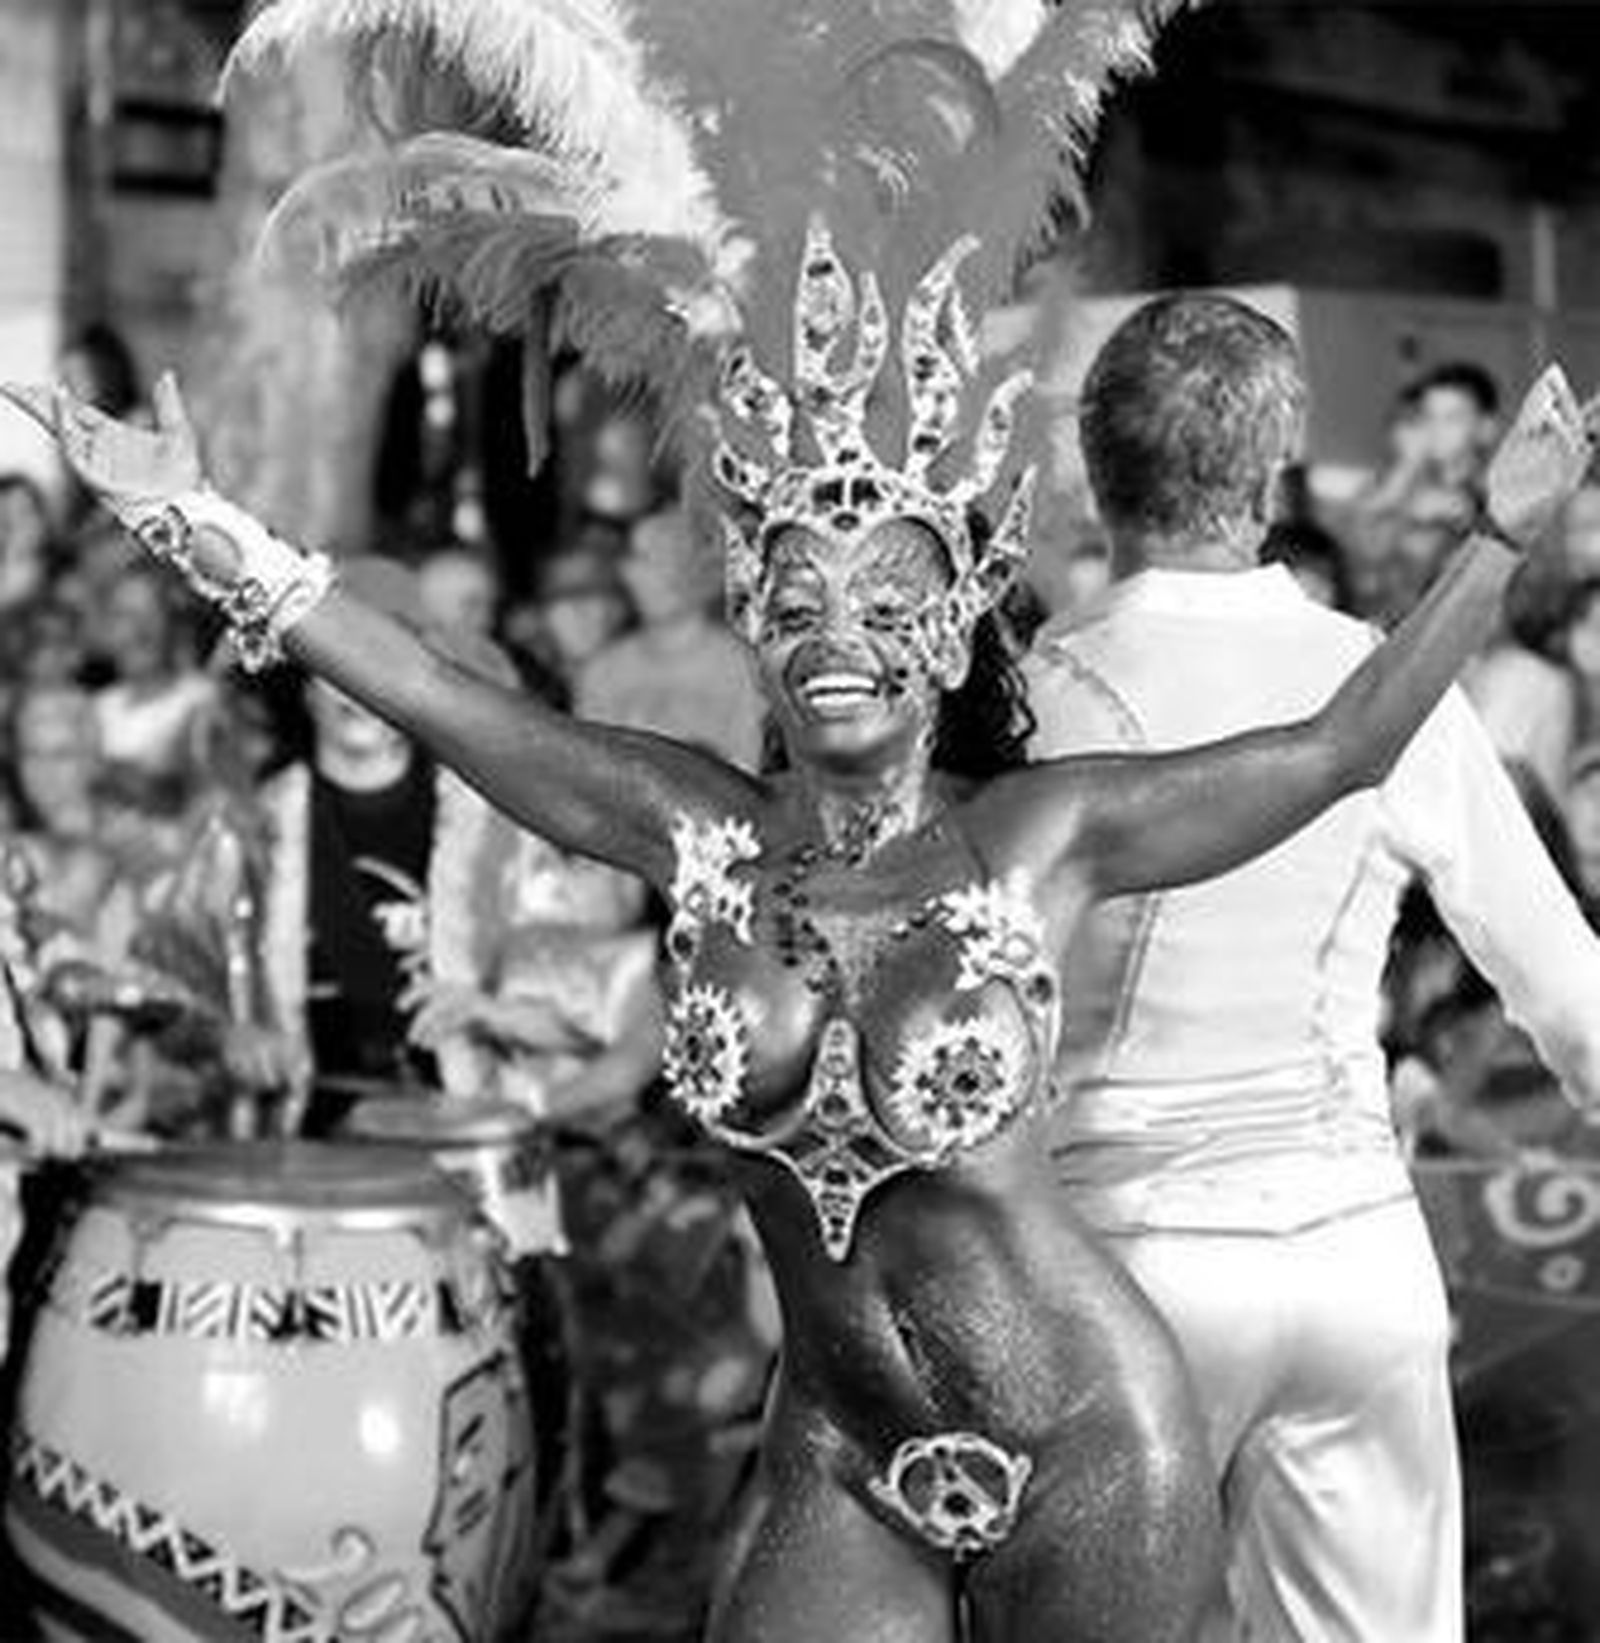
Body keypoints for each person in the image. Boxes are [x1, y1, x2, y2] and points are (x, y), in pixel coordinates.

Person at [13, 5, 1594, 1637]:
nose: (835, 623)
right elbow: (441, 697)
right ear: (755, 617)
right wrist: (183, 513)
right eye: (797, 586)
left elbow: (1336, 749)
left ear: (957, 611)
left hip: (1091, 1445)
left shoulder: (1040, 834)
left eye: (881, 587)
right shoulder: (695, 828)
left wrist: (1494, 536)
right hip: (840, 1452)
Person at [1024, 293, 1600, 1643]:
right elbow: (1567, 984)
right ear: (1276, 467)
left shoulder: (1036, 695)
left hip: (1122, 1263)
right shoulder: (1380, 678)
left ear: (1097, 472)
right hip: (1353, 1255)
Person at [580, 506, 767, 771]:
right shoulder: (603, 671)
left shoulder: (741, 669)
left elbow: (748, 772)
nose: (634, 574)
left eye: (654, 560)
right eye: (636, 559)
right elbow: (592, 772)